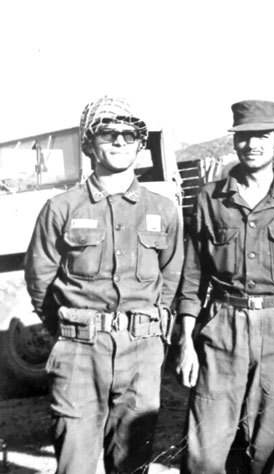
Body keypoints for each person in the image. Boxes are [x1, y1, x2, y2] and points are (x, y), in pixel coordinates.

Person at [25, 96, 183, 474]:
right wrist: (70, 329)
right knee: (74, 462)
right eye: (109, 134)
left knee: (132, 462)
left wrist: (152, 329)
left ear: (140, 145)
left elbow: (172, 275)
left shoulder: (162, 209)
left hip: (142, 350)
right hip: (79, 352)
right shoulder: (62, 208)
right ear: (89, 144)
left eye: (130, 134)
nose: (120, 141)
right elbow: (39, 278)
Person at [176, 100, 274, 474]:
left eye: (262, 136)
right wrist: (185, 342)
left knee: (270, 446)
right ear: (234, 142)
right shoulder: (210, 198)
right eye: (244, 137)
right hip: (223, 325)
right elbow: (193, 276)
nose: (252, 144)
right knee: (204, 447)